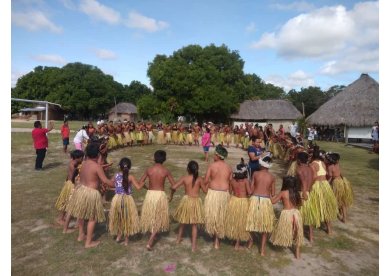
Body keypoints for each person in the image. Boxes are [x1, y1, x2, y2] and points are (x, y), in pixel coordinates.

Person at [65, 143, 113, 248]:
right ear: (97, 155)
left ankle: (81, 235)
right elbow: (105, 181)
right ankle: (89, 242)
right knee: (92, 218)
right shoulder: (97, 167)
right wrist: (116, 183)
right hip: (91, 193)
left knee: (81, 214)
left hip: (81, 190)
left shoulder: (84, 163)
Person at [139, 150, 176, 250]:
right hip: (160, 195)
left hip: (150, 195)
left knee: (152, 214)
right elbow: (174, 186)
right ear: (164, 159)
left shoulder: (149, 170)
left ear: (154, 158)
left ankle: (152, 234)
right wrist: (171, 195)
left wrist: (147, 188)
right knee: (159, 216)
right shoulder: (165, 171)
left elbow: (141, 182)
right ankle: (151, 240)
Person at [169, 160, 207, 252]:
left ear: (188, 169)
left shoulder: (184, 178)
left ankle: (178, 239)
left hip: (186, 201)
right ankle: (193, 246)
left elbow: (174, 187)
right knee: (194, 224)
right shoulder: (200, 179)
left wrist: (171, 193)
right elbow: (205, 191)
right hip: (196, 202)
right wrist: (208, 183)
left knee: (182, 221)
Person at [107, 158, 142, 246]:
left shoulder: (116, 175)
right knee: (127, 218)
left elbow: (110, 184)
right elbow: (138, 187)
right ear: (129, 167)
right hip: (127, 199)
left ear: (120, 166)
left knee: (118, 217)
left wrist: (114, 188)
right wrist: (143, 183)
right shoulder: (130, 177)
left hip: (117, 199)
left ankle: (119, 236)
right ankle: (126, 241)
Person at [246, 155, 276, 256]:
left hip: (254, 199)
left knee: (251, 222)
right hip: (266, 200)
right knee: (265, 226)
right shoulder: (272, 177)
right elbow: (273, 193)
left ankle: (250, 242)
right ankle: (262, 249)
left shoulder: (255, 173)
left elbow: (251, 189)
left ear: (261, 164)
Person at [203, 144, 232, 249]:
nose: (213, 156)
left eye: (215, 154)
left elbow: (205, 181)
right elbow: (231, 182)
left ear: (218, 155)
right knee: (220, 216)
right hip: (224, 194)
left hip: (213, 193)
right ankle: (217, 240)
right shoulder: (228, 167)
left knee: (214, 215)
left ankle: (216, 238)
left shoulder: (212, 166)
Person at [270, 176, 304, 259]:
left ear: (285, 183)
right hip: (296, 214)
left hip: (286, 215)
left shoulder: (283, 192)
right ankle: (297, 253)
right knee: (297, 233)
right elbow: (301, 204)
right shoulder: (297, 193)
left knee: (288, 231)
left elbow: (273, 201)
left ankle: (285, 242)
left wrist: (270, 194)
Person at [309, 147, 338, 234]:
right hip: (325, 185)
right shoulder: (323, 163)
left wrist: (309, 186)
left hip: (317, 185)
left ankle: (314, 225)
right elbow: (327, 174)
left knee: (315, 205)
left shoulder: (312, 164)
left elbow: (313, 177)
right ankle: (329, 229)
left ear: (312, 156)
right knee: (326, 206)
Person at [225, 159, 253, 250]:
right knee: (242, 222)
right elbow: (249, 192)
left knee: (235, 221)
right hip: (243, 202)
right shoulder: (245, 181)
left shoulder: (232, 180)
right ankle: (239, 242)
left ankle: (236, 240)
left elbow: (230, 192)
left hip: (234, 201)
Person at [55, 149, 84, 225]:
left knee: (66, 202)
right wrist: (74, 186)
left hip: (68, 183)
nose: (82, 159)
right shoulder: (74, 166)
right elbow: (72, 177)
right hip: (70, 184)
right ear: (77, 158)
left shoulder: (73, 162)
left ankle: (62, 217)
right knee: (66, 202)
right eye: (82, 158)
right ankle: (61, 218)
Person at [326, 152, 353, 223]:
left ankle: (334, 214)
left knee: (335, 199)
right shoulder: (337, 164)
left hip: (336, 183)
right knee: (342, 201)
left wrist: (326, 184)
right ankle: (344, 217)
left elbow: (330, 177)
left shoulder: (330, 167)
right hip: (341, 181)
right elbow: (340, 173)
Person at [295, 151, 315, 242]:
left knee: (299, 215)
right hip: (308, 193)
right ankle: (311, 237)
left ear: (299, 160)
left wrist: (303, 192)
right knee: (309, 215)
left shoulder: (299, 169)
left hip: (302, 193)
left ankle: (298, 234)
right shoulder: (310, 169)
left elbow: (302, 180)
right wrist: (308, 190)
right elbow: (313, 179)